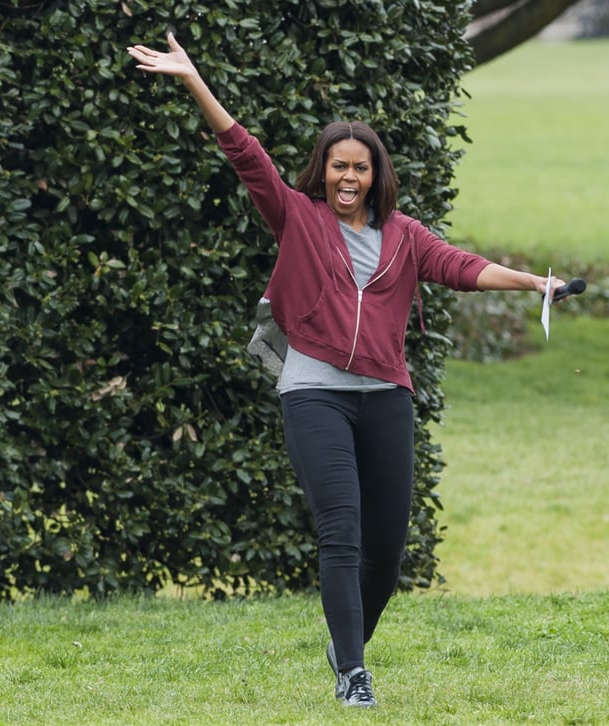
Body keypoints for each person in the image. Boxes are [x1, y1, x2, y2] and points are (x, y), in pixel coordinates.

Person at [127, 32, 565, 708]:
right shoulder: (297, 218)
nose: (348, 177)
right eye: (337, 167)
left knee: (386, 554)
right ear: (322, 172)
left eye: (359, 167)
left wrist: (535, 282)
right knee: (342, 528)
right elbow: (248, 158)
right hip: (314, 389)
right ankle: (353, 673)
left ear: (375, 174)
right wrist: (194, 80)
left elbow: (462, 268)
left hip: (386, 392)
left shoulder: (407, 236)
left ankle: (346, 640)